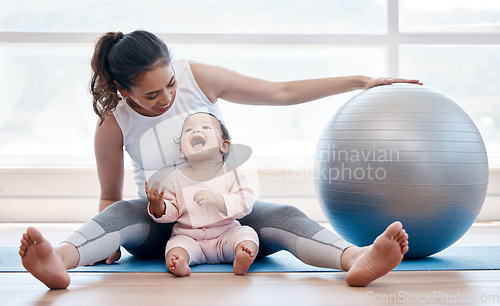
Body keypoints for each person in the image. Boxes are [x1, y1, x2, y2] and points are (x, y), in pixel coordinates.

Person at [19, 30, 412, 290]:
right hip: (166, 224)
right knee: (122, 212)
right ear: (124, 89)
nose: (167, 98)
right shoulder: (113, 123)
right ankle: (59, 259)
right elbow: (109, 196)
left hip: (230, 217)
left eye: (170, 83)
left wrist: (361, 81)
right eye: (152, 95)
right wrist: (110, 245)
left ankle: (356, 258)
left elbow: (280, 92)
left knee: (284, 215)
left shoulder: (199, 78)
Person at [145, 112, 259, 276]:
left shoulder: (231, 173)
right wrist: (158, 206)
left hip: (226, 235)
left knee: (247, 234)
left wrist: (218, 200)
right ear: (182, 151)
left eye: (205, 127)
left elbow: (246, 202)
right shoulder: (175, 177)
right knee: (175, 246)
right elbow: (172, 212)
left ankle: (242, 254)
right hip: (189, 238)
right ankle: (180, 262)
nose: (196, 131)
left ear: (224, 146)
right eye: (188, 129)